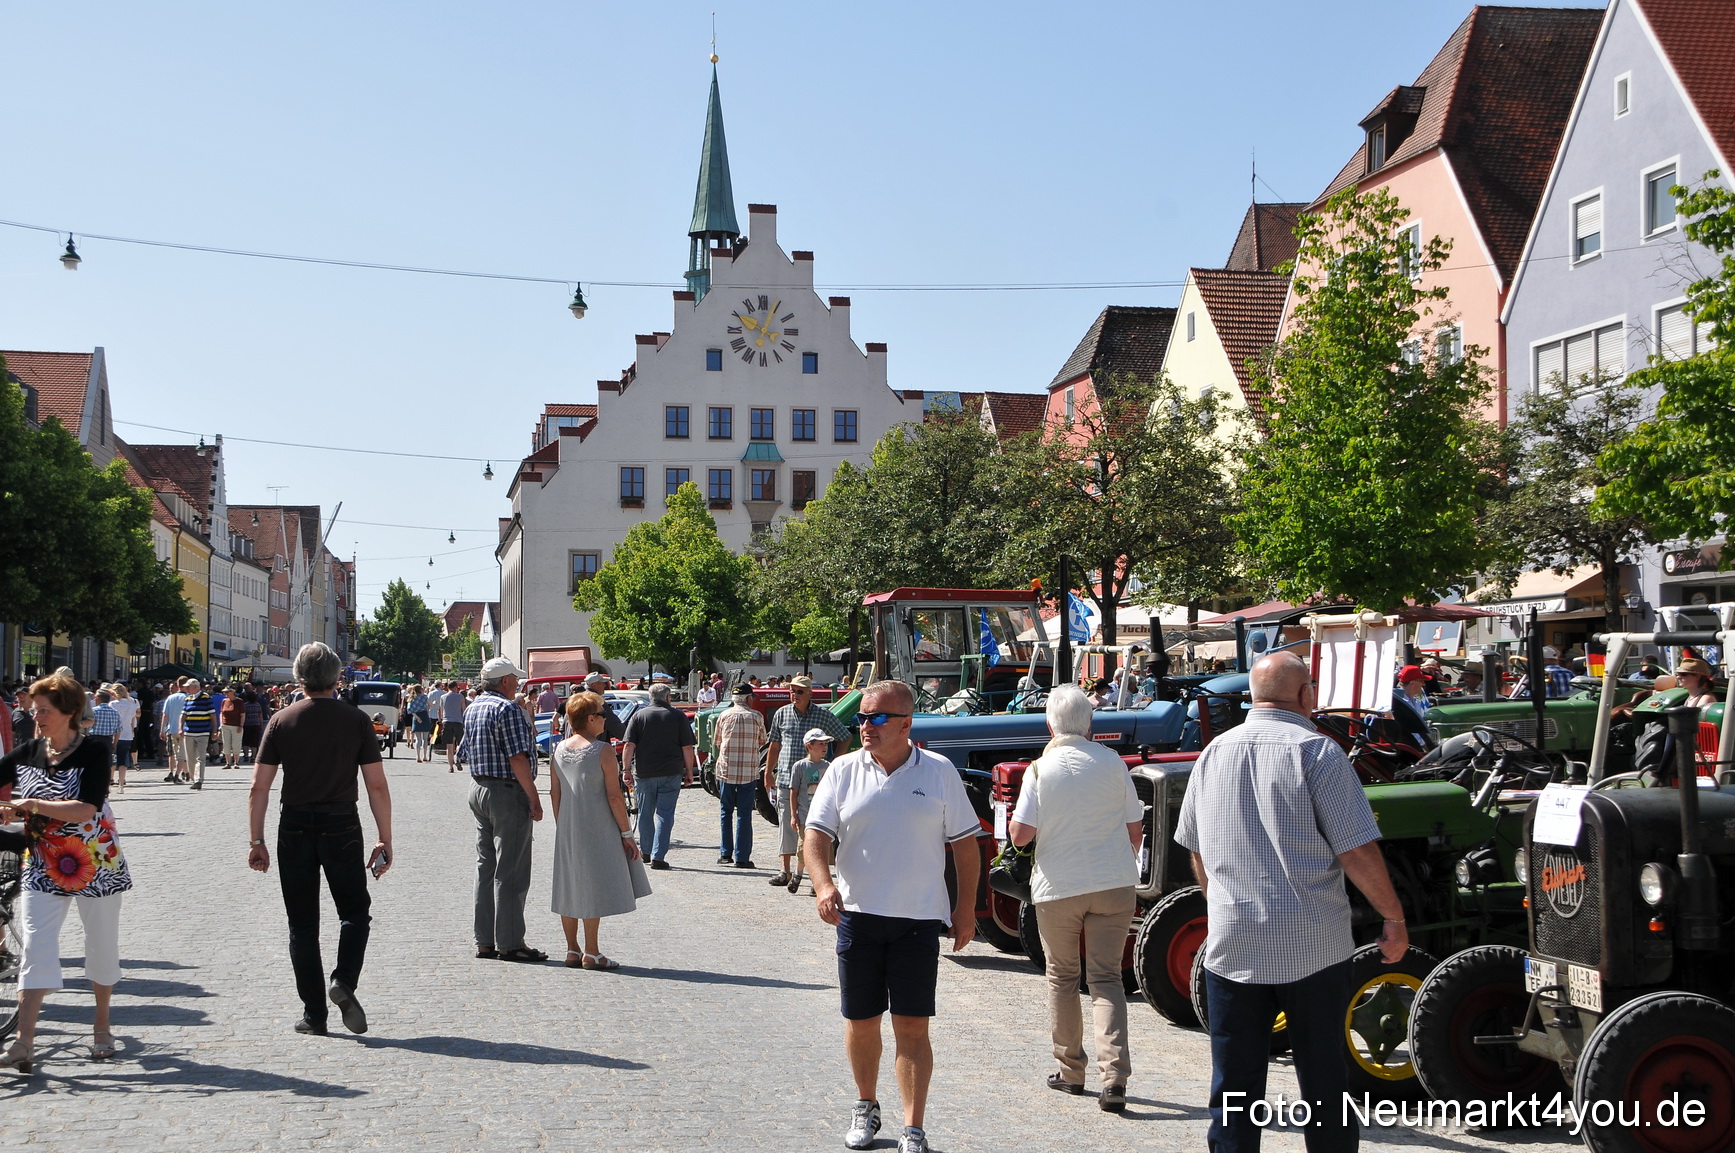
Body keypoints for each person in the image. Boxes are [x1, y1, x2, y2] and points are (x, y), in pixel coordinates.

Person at [1176, 651, 1407, 1153]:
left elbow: (1195, 842)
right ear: (1305, 696)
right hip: (1312, 943)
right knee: (1325, 1082)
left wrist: (1219, 902)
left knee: (1234, 1089)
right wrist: (1392, 916)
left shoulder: (1214, 752)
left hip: (1234, 941)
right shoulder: (1317, 752)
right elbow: (1356, 850)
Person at [803, 680, 981, 1153]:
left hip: (918, 921)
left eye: (877, 717)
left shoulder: (939, 771)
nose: (865, 726)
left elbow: (966, 844)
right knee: (862, 1021)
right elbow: (816, 836)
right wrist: (823, 886)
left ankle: (913, 1127)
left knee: (912, 1025)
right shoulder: (842, 770)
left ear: (906, 723)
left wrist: (965, 909)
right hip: (858, 917)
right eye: (862, 717)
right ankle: (866, 1105)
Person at [1007, 684, 1144, 1111]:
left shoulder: (1038, 770)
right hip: (1114, 882)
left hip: (1059, 888)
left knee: (1062, 978)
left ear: (1050, 724)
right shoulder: (1113, 762)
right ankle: (1115, 1077)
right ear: (1090, 724)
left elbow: (1020, 834)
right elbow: (1135, 830)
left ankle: (1071, 1071)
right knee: (1106, 978)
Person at [246, 642, 392, 1036]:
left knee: (302, 924)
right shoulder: (356, 721)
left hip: (294, 825)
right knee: (355, 912)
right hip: (341, 824)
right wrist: (384, 837)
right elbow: (376, 785)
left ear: (299, 677)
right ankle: (343, 981)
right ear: (337, 678)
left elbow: (259, 787)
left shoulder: (281, 720)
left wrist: (255, 840)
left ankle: (314, 1014)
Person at [0, 670, 134, 1073]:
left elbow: (86, 809)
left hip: (94, 861)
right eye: (34, 709)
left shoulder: (93, 751)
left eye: (44, 710)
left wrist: (30, 805)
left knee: (101, 945)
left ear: (69, 712)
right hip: (41, 862)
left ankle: (102, 1025)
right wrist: (11, 809)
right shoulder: (27, 751)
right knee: (37, 946)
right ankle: (24, 1041)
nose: (35, 716)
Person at [549, 691, 652, 970]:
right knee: (591, 886)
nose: (607, 718)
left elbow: (554, 792)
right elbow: (614, 796)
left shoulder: (558, 748)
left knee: (568, 885)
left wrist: (563, 824)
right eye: (603, 713)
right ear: (591, 718)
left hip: (568, 825)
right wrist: (627, 834)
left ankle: (572, 949)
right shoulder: (602, 750)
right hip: (597, 824)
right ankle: (592, 952)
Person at [459, 657, 546, 963]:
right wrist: (534, 797)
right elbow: (517, 758)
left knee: (486, 868)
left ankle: (485, 940)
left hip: (479, 788)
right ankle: (509, 942)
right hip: (506, 792)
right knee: (510, 870)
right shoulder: (506, 709)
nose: (518, 684)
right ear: (505, 681)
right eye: (515, 680)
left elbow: (462, 753)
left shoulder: (473, 707)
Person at [764, 675, 851, 887]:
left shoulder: (823, 715)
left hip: (814, 784)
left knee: (814, 825)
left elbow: (845, 736)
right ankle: (784, 871)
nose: (794, 695)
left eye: (799, 691)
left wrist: (833, 763)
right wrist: (767, 773)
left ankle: (810, 873)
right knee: (787, 824)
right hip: (785, 777)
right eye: (792, 691)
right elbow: (774, 745)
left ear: (810, 693)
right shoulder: (781, 714)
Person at [621, 683, 697, 870]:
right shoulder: (678, 716)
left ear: (650, 697)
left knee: (645, 812)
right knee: (665, 814)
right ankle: (658, 855)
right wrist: (689, 771)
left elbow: (629, 745)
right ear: (668, 698)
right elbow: (687, 747)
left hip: (645, 772)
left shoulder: (639, 716)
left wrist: (626, 770)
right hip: (671, 772)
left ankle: (646, 851)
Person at [713, 684, 767, 869]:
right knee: (744, 814)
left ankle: (725, 854)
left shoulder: (724, 715)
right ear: (748, 699)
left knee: (725, 811)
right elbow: (762, 741)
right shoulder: (756, 717)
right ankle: (742, 857)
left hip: (726, 771)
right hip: (748, 771)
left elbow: (717, 742)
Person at [785, 727, 834, 895]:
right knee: (803, 848)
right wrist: (793, 814)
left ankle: (817, 882)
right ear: (809, 746)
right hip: (805, 816)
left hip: (823, 817)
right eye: (820, 744)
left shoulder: (828, 766)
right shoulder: (800, 766)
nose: (824, 747)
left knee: (823, 850)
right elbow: (794, 791)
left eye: (826, 743)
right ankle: (798, 875)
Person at [180, 679, 216, 790]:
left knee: (201, 757)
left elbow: (212, 715)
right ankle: (193, 778)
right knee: (190, 758)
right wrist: (180, 728)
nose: (186, 689)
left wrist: (214, 730)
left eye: (188, 687)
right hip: (189, 732)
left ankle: (199, 780)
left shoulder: (206, 698)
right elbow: (183, 715)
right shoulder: (187, 699)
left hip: (203, 732)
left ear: (196, 687)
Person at [109, 683, 139, 791]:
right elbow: (132, 721)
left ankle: (111, 779)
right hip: (127, 734)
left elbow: (111, 720)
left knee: (113, 758)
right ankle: (121, 784)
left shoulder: (112, 704)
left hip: (114, 734)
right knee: (123, 759)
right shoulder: (131, 705)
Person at [159, 679, 187, 779]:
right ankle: (184, 771)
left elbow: (165, 715)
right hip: (185, 729)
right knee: (183, 753)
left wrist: (162, 730)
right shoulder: (188, 698)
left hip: (171, 729)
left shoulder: (170, 698)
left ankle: (172, 772)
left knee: (172, 753)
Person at [440, 680, 468, 771]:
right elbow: (464, 709)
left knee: (449, 745)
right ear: (456, 687)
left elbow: (441, 710)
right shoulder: (460, 697)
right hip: (458, 722)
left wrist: (440, 719)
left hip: (447, 721)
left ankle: (450, 767)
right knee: (459, 743)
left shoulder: (443, 697)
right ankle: (458, 758)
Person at [219, 684, 246, 769]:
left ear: (232, 692)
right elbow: (221, 713)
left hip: (236, 725)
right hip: (225, 725)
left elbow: (242, 714)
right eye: (225, 692)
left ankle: (236, 762)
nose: (226, 694)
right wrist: (221, 724)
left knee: (236, 743)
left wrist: (241, 725)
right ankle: (228, 763)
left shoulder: (239, 701)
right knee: (226, 743)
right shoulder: (224, 701)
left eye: (227, 692)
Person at [406, 684, 433, 763]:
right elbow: (430, 705)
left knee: (418, 739)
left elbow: (410, 710)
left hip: (416, 717)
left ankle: (418, 756)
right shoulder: (424, 696)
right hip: (424, 716)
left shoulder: (412, 697)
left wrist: (417, 717)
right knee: (425, 739)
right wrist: (432, 704)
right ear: (421, 689)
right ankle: (425, 756)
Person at [241, 684, 267, 764]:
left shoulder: (245, 705)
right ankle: (253, 756)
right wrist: (261, 724)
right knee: (254, 741)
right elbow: (260, 715)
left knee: (245, 740)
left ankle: (246, 756)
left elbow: (243, 715)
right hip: (256, 724)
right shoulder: (257, 705)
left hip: (247, 724)